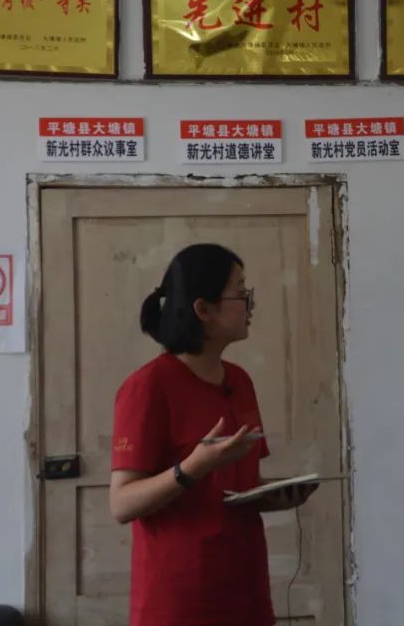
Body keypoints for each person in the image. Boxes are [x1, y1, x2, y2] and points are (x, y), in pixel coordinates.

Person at [110, 243, 316, 626]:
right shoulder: (148, 386)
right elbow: (121, 504)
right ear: (203, 309)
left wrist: (273, 495)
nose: (250, 303)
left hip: (245, 588)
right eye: (240, 292)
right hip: (180, 600)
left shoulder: (240, 381)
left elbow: (230, 491)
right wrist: (193, 467)